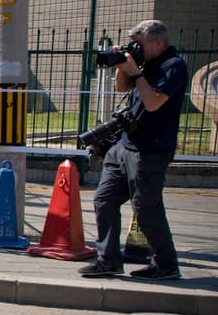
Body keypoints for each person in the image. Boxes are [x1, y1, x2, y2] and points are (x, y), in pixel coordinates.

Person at [80, 19, 189, 281]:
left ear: (158, 43)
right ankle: (108, 261)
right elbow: (122, 87)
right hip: (123, 146)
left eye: (139, 44)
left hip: (150, 151)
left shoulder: (173, 66)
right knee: (103, 200)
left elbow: (152, 103)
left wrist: (137, 73)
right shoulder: (145, 63)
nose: (135, 49)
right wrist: (123, 65)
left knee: (145, 208)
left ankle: (166, 265)